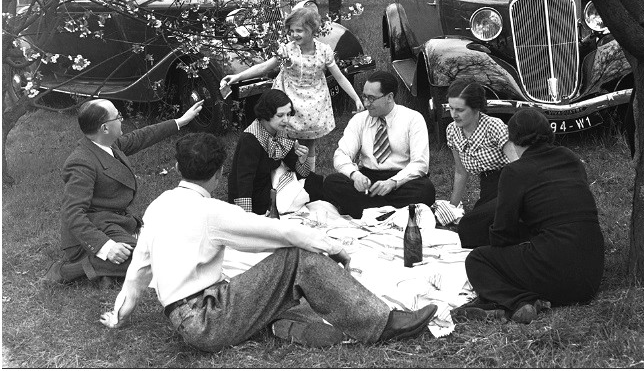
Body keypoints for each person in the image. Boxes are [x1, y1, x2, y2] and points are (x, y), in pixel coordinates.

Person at [99, 133, 437, 351]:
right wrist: (333, 247)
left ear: (176, 168)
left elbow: (139, 269)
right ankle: (381, 324)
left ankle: (286, 324)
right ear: (219, 173)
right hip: (207, 320)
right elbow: (278, 232)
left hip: (186, 318)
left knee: (286, 282)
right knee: (299, 258)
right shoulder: (211, 211)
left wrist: (119, 314)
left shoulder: (158, 205)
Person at [453, 108, 605, 324]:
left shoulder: (515, 171)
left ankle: (518, 302)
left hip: (557, 272)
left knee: (478, 259)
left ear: (513, 139)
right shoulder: (571, 159)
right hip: (591, 275)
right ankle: (526, 299)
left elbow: (502, 234)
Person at [42, 98, 204, 286]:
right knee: (156, 261)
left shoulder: (109, 145)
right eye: (117, 116)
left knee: (168, 246)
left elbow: (142, 136)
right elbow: (72, 213)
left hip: (114, 223)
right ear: (104, 128)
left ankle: (109, 272)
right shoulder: (81, 162)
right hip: (90, 234)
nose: (122, 119)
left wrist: (181, 121)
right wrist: (106, 247)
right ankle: (72, 270)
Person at [220, 5, 364, 171]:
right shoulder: (287, 50)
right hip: (289, 100)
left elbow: (340, 77)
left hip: (314, 103)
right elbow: (264, 67)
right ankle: (284, 173)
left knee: (309, 142)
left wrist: (356, 98)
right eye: (291, 31)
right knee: (285, 139)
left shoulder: (324, 51)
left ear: (312, 30)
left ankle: (308, 174)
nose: (294, 35)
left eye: (299, 31)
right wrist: (237, 77)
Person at [323, 71, 435, 219]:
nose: (366, 103)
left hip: (400, 180)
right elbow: (341, 154)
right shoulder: (359, 120)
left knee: (425, 190)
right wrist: (355, 175)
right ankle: (390, 213)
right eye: (364, 97)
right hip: (368, 180)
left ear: (389, 97)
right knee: (332, 182)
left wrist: (393, 183)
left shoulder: (413, 119)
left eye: (372, 98)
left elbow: (420, 163)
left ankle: (366, 211)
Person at [444, 81, 519, 248]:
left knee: (477, 226)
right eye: (451, 108)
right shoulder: (452, 130)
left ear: (476, 108)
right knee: (472, 227)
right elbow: (461, 172)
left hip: (509, 181)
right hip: (488, 186)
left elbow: (518, 165)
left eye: (460, 110)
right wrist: (452, 207)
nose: (454, 114)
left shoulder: (494, 126)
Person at [227, 89, 324, 215]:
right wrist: (246, 216)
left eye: (288, 114)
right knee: (311, 189)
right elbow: (244, 181)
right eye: (280, 115)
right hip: (256, 195)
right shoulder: (250, 139)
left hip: (272, 183)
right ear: (266, 114)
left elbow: (300, 171)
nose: (286, 120)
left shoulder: (279, 132)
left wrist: (301, 160)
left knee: (316, 182)